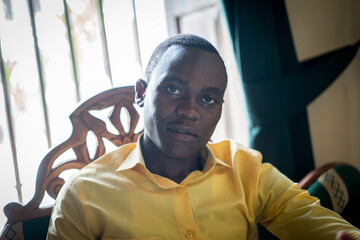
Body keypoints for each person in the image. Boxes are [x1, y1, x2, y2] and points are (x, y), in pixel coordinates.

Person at [47, 34, 360, 239]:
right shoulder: (84, 196)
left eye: (208, 99)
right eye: (174, 90)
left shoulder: (244, 169)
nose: (190, 111)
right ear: (141, 93)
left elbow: (310, 220)